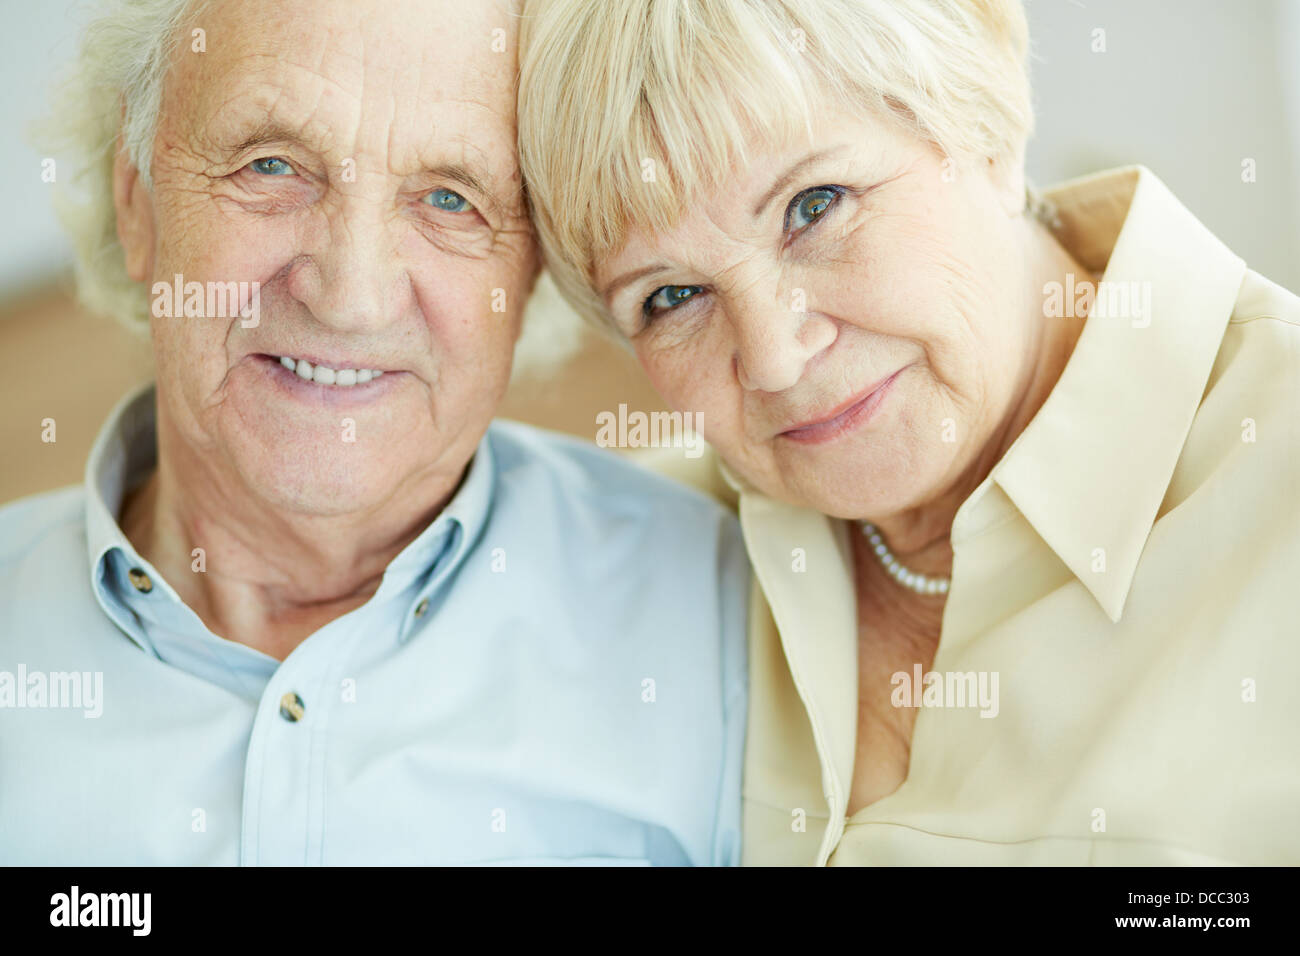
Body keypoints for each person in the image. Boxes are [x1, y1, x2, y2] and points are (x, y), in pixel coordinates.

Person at [517, 0, 1300, 864]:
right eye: (670, 297)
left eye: (814, 206)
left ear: (985, 129)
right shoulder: (637, 549)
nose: (774, 358)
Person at [0, 0, 748, 866]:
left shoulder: (727, 620)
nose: (351, 297)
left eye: (448, 199)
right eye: (272, 165)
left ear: (535, 266)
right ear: (140, 200)